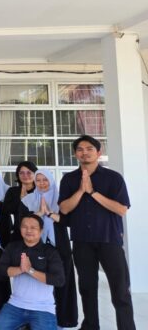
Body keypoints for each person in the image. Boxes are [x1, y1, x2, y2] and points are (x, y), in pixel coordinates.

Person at [59, 135, 135, 330]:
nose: (84, 152)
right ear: (75, 154)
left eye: (89, 149)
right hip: (82, 241)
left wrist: (93, 192)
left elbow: (121, 209)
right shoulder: (69, 179)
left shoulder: (113, 178)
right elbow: (64, 209)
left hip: (110, 240)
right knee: (87, 288)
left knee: (120, 290)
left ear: (99, 153)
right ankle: (90, 326)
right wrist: (81, 191)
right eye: (80, 149)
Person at [20, 169, 78, 328]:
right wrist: (39, 213)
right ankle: (34, 321)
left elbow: (69, 221)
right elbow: (23, 223)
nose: (41, 183)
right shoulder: (28, 200)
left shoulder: (62, 200)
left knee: (61, 283)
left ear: (51, 181)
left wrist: (51, 213)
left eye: (45, 180)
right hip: (36, 248)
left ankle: (62, 321)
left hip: (59, 247)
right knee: (36, 284)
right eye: (38, 180)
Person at [0, 214, 65, 330]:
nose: (28, 230)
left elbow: (59, 280)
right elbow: (1, 269)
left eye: (33, 227)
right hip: (15, 304)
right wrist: (20, 269)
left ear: (41, 231)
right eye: (24, 227)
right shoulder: (12, 247)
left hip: (42, 308)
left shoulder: (50, 251)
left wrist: (30, 270)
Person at [1, 161, 37, 245]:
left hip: (38, 231)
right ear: (18, 175)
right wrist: (21, 200)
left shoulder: (39, 191)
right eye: (22, 173)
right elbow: (5, 210)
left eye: (29, 172)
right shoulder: (12, 191)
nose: (25, 175)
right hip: (18, 231)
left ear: (35, 174)